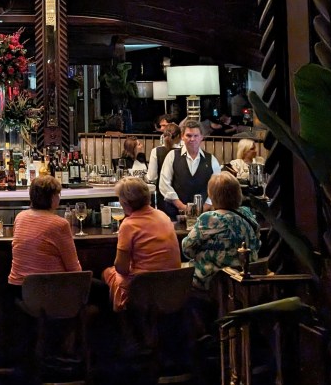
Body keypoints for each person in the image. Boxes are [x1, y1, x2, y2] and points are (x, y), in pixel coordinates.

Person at [101, 177, 181, 311]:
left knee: (107, 273)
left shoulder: (129, 225)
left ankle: (120, 326)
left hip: (143, 289)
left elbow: (121, 268)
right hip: (170, 286)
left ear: (125, 203)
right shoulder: (163, 216)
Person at [182, 172, 260, 290]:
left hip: (214, 284)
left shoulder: (209, 219)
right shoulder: (248, 214)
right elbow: (257, 245)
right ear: (238, 193)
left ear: (212, 196)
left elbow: (187, 250)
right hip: (245, 281)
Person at [8, 175, 82, 287]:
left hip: (18, 289)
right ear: (52, 198)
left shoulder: (20, 217)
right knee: (101, 287)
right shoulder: (60, 224)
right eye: (58, 194)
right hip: (49, 290)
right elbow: (74, 269)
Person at [159, 120, 220, 217]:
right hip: (176, 213)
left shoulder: (212, 160)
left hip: (204, 215)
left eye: (196, 136)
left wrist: (203, 208)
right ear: (182, 136)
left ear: (201, 137)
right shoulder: (172, 156)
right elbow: (164, 184)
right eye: (189, 135)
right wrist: (182, 207)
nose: (192, 139)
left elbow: (217, 188)